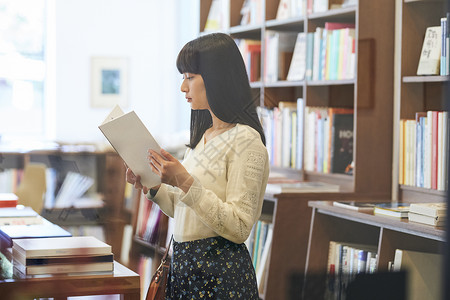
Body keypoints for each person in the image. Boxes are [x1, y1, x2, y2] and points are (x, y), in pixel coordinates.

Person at [126, 32, 269, 299]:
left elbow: (239, 227)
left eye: (190, 78)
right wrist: (152, 184)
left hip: (219, 276)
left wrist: (184, 181)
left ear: (217, 78)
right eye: (183, 78)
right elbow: (186, 211)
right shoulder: (204, 137)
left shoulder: (246, 141)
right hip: (185, 270)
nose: (183, 87)